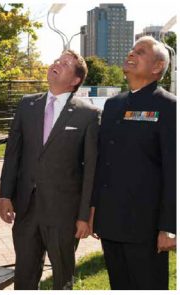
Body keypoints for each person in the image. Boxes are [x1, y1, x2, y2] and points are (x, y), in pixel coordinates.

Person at [0, 50, 101, 290]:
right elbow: (13, 154)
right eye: (57, 60)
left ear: (76, 80)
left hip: (64, 213)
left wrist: (84, 216)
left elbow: (91, 170)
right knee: (24, 275)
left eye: (65, 64)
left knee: (62, 277)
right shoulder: (27, 105)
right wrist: (5, 195)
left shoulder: (89, 115)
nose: (57, 63)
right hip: (25, 209)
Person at [89, 36, 176, 290]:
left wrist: (170, 226)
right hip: (111, 222)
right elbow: (103, 162)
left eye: (140, 52)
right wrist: (95, 210)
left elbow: (174, 171)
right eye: (131, 49)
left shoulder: (169, 107)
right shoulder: (114, 105)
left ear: (157, 67)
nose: (131, 53)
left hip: (146, 228)